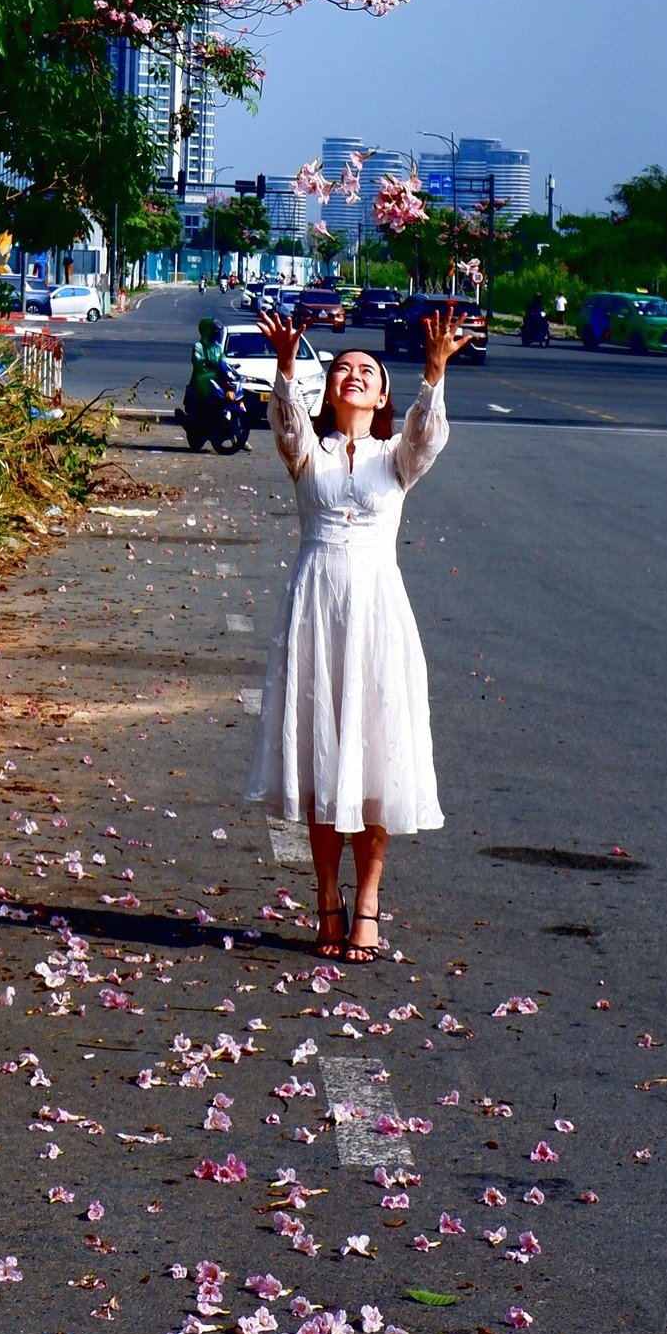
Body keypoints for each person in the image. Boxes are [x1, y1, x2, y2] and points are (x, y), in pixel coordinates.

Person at [242, 308, 473, 959]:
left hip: (376, 612)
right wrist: (287, 367)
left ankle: (368, 901)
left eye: (366, 371)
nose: (352, 375)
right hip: (315, 611)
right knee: (322, 757)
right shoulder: (308, 455)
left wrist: (434, 372)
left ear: (382, 395)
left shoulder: (395, 459)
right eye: (342, 368)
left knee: (373, 759)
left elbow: (427, 438)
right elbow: (286, 426)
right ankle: (326, 900)